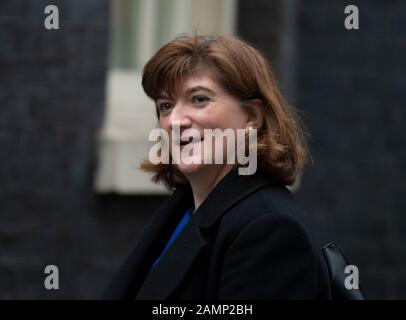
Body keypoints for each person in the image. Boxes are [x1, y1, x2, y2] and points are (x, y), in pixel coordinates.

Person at [102, 34, 331, 300]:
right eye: (165, 106)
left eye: (199, 99)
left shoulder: (271, 230)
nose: (175, 120)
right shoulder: (181, 211)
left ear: (252, 117)